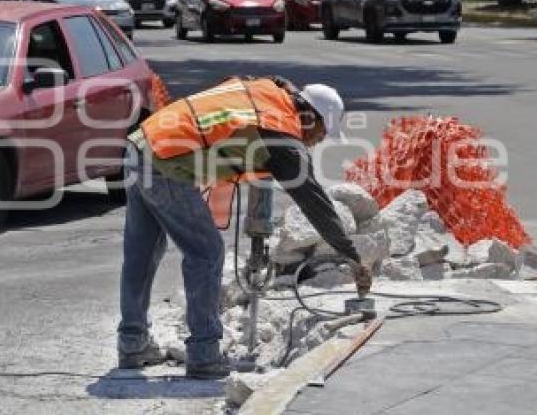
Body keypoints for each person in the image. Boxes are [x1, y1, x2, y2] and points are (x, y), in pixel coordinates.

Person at [117, 76, 372, 379]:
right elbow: (315, 202)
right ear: (307, 116)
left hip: (141, 144)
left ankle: (132, 344)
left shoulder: (271, 95)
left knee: (142, 253)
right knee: (206, 253)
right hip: (164, 162)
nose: (317, 141)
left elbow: (270, 82)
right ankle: (204, 353)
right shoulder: (283, 137)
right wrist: (351, 254)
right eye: (320, 132)